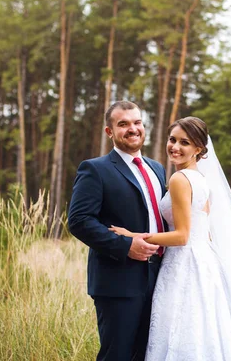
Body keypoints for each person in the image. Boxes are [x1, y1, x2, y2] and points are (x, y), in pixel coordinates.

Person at [111, 116, 231, 360]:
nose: (175, 147)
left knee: (182, 327)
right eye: (172, 139)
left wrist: (132, 236)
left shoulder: (179, 179)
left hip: (184, 264)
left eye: (184, 142)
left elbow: (183, 236)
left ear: (199, 149)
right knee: (206, 327)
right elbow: (202, 231)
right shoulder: (201, 180)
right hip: (204, 261)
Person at [68, 101, 167, 361]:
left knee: (150, 354)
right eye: (123, 124)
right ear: (109, 132)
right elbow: (79, 221)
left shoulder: (157, 169)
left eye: (137, 122)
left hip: (161, 277)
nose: (132, 129)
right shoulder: (95, 169)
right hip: (118, 280)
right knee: (118, 355)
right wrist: (126, 246)